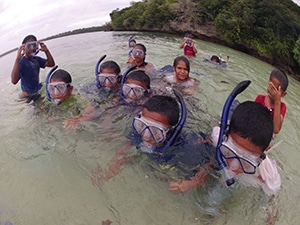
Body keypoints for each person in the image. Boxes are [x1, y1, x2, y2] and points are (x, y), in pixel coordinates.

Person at [169, 101, 281, 196]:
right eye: (229, 152)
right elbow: (213, 162)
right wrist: (193, 182)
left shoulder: (267, 174)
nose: (233, 166)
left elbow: (273, 196)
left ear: (264, 152)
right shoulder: (219, 138)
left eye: (246, 160)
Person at [63, 69, 151, 130]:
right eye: (127, 89)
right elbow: (103, 108)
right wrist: (79, 118)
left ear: (146, 91)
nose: (131, 95)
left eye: (137, 90)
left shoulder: (149, 100)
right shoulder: (118, 97)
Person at [11, 34, 55, 102]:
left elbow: (51, 64)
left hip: (37, 90)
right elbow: (14, 81)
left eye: (34, 45)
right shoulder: (21, 62)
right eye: (29, 46)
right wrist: (17, 59)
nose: (32, 48)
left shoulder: (36, 59)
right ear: (24, 47)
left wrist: (46, 51)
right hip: (28, 96)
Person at [255, 68, 288, 134]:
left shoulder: (282, 107)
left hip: (268, 135)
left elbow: (276, 130)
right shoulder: (260, 98)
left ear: (283, 94)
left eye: (275, 89)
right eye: (270, 86)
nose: (272, 91)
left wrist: (277, 101)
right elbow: (252, 118)